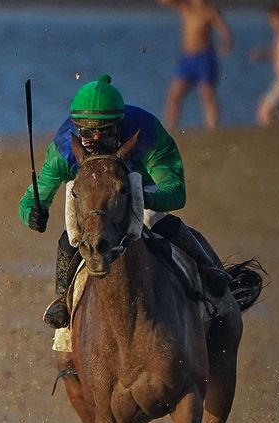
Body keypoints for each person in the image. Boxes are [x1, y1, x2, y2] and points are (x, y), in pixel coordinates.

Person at [18, 75, 229, 331]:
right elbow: (34, 196)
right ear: (76, 127)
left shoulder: (148, 133)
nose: (93, 139)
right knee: (73, 234)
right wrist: (33, 212)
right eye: (86, 132)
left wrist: (142, 199)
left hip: (140, 186)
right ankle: (64, 300)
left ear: (119, 125)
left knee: (153, 218)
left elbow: (176, 192)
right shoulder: (63, 149)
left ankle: (206, 269)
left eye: (103, 132)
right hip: (91, 193)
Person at [160, 0, 234, 129]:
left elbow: (226, 33)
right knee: (175, 94)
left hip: (204, 57)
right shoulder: (185, 8)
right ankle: (169, 128)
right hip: (187, 58)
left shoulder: (210, 11)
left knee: (207, 94)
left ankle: (212, 129)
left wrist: (225, 45)